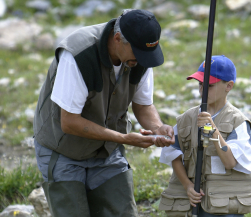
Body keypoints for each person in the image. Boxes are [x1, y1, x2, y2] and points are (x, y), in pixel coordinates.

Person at [33, 9, 175, 217]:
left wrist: (157, 128)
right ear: (118, 39)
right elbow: (69, 122)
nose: (144, 60)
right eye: (139, 53)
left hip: (106, 151)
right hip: (62, 149)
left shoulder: (140, 57)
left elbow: (143, 106)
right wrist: (124, 138)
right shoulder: (79, 55)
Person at [158, 55, 251, 217]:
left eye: (210, 85)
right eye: (200, 84)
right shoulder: (187, 119)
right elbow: (173, 154)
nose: (203, 90)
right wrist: (187, 186)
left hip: (225, 205)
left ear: (229, 86)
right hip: (191, 203)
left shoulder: (238, 122)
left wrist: (213, 130)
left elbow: (229, 162)